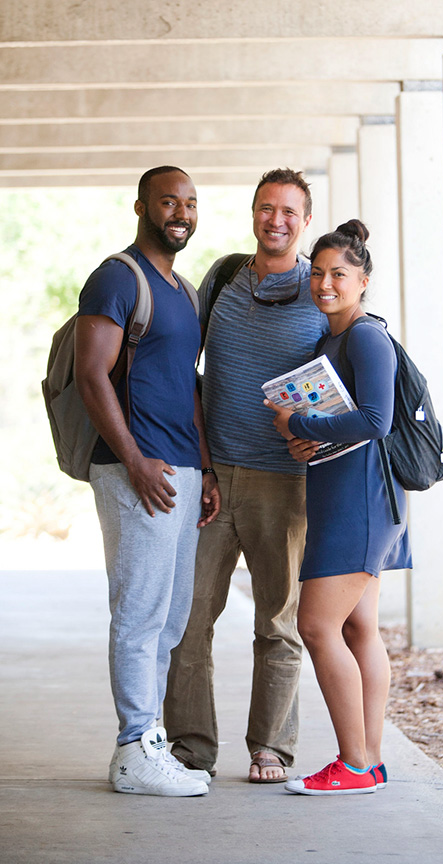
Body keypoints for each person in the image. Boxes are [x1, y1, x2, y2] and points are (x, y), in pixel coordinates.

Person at [164, 168, 326, 783]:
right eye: (266, 208)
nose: (275, 220)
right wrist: (199, 463)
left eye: (288, 211)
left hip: (285, 482)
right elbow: (186, 368)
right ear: (253, 214)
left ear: (304, 220)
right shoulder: (225, 276)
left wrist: (318, 431)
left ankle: (272, 749)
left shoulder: (321, 286)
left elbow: (344, 384)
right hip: (208, 479)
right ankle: (189, 748)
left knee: (277, 622)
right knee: (187, 618)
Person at [74, 165, 221, 797]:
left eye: (190, 202)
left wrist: (207, 466)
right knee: (139, 613)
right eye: (168, 201)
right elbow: (91, 374)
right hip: (136, 471)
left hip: (182, 472)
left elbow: (187, 384)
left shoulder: (183, 291)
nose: (181, 212)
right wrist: (134, 461)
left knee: (169, 619)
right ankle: (133, 746)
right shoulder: (117, 277)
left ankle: (149, 740)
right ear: (141, 207)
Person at [265, 220, 412, 795]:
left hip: (363, 501)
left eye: (339, 274)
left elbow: (378, 420)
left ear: (363, 280)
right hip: (342, 494)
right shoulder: (330, 342)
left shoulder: (366, 338)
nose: (325, 283)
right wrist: (305, 435)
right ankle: (368, 761)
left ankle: (353, 764)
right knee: (358, 628)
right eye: (318, 273)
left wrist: (297, 422)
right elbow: (339, 426)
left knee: (315, 624)